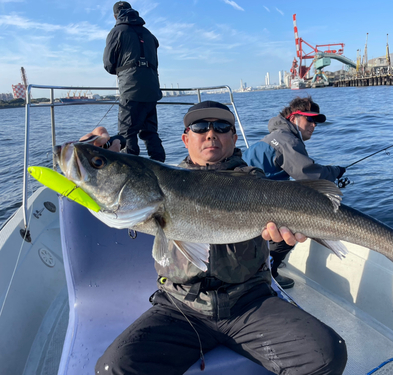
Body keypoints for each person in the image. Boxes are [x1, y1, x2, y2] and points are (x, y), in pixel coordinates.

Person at [83, 101, 347, 375]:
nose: (211, 133)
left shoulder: (254, 181)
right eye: (200, 127)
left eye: (222, 127)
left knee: (328, 355)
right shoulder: (158, 181)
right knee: (115, 368)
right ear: (186, 139)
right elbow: (111, 179)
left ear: (233, 138)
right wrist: (100, 150)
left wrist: (283, 236)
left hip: (250, 302)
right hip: (180, 306)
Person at [242, 96, 346, 289]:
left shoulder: (277, 136)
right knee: (295, 226)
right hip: (253, 199)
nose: (313, 125)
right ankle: (269, 272)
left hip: (249, 194)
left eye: (316, 122)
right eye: (310, 119)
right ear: (294, 118)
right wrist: (336, 171)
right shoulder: (288, 140)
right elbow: (309, 175)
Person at [103, 1, 166, 162]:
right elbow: (155, 61)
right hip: (152, 89)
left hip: (131, 89)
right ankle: (162, 168)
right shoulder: (149, 34)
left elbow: (108, 64)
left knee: (127, 134)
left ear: (115, 16)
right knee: (150, 132)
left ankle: (130, 172)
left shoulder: (116, 32)